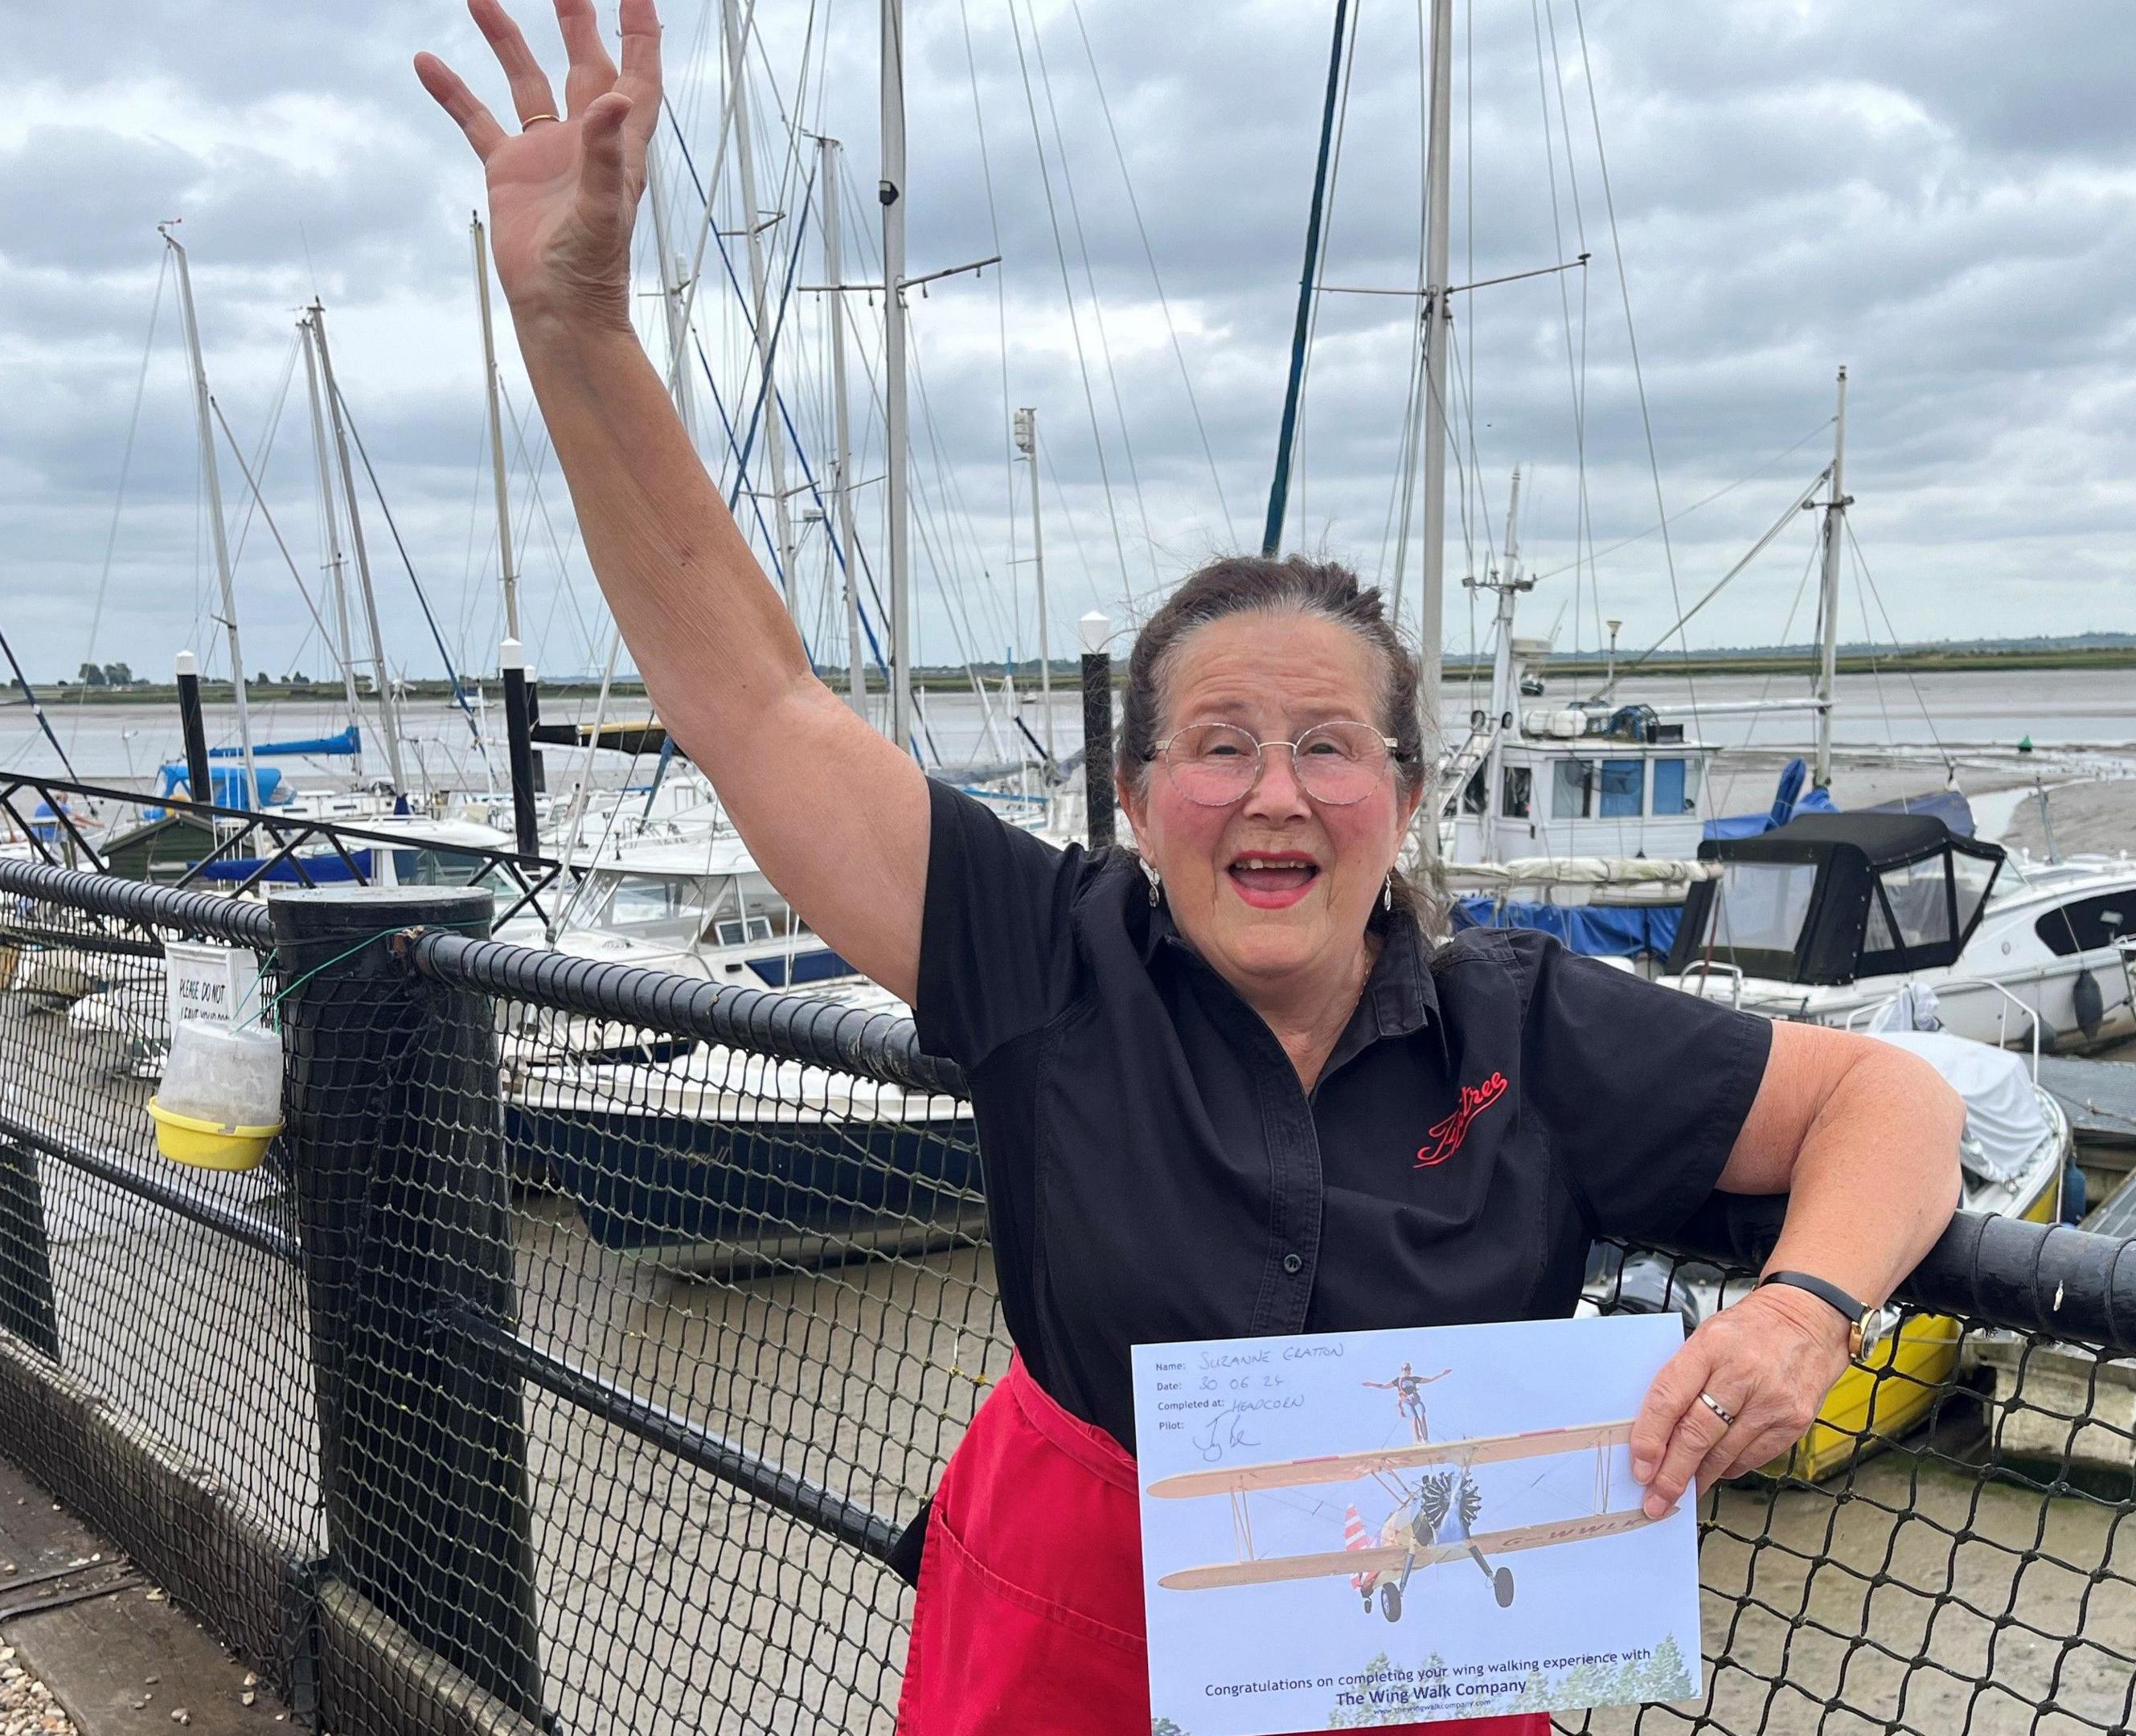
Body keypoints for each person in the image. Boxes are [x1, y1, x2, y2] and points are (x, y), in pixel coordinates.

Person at [415, 5, 1965, 1731]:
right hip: (1069, 1635)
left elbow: (1887, 1102)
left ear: (1406, 792)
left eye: (1330, 746)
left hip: (1418, 1650)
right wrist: (577, 335)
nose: (1274, 791)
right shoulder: (1037, 952)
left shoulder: (1522, 1024)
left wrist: (1804, 1315)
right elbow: (752, 699)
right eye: (1218, 744)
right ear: (1138, 796)